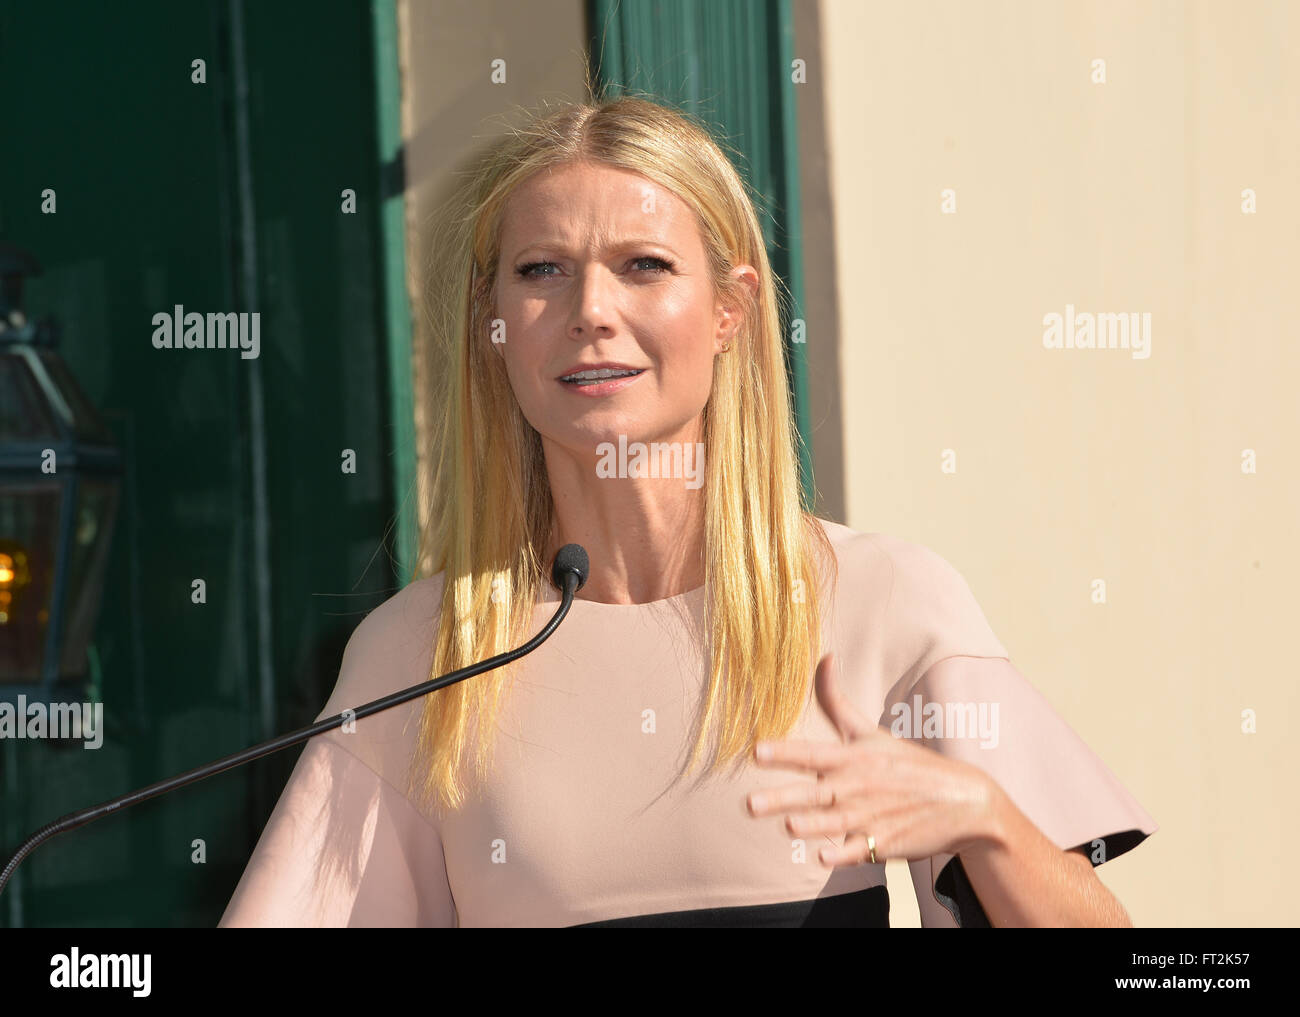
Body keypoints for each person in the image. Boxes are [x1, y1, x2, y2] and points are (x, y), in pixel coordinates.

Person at [218, 94, 1156, 928]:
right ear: (491, 321)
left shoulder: (882, 601)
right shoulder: (418, 653)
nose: (590, 308)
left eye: (643, 265)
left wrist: (987, 820)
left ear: (730, 310)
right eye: (541, 270)